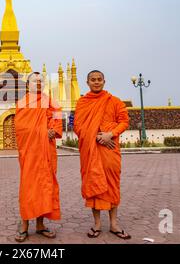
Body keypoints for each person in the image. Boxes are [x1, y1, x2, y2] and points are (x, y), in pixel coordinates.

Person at [73, 70, 131, 240]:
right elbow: (77, 126)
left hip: (110, 150)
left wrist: (110, 134)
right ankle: (97, 224)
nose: (96, 82)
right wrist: (97, 136)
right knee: (94, 186)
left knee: (112, 185)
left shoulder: (114, 101)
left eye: (99, 79)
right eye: (93, 80)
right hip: (91, 150)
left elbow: (124, 121)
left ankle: (114, 224)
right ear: (87, 82)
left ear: (104, 81)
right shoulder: (82, 103)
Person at [14, 72, 63, 242]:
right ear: (28, 85)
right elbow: (21, 127)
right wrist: (43, 131)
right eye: (34, 81)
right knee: (28, 186)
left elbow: (57, 117)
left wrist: (54, 130)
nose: (38, 83)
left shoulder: (51, 101)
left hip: (46, 151)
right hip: (30, 151)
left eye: (41, 81)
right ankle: (25, 224)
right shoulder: (22, 102)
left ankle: (40, 225)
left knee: (44, 185)